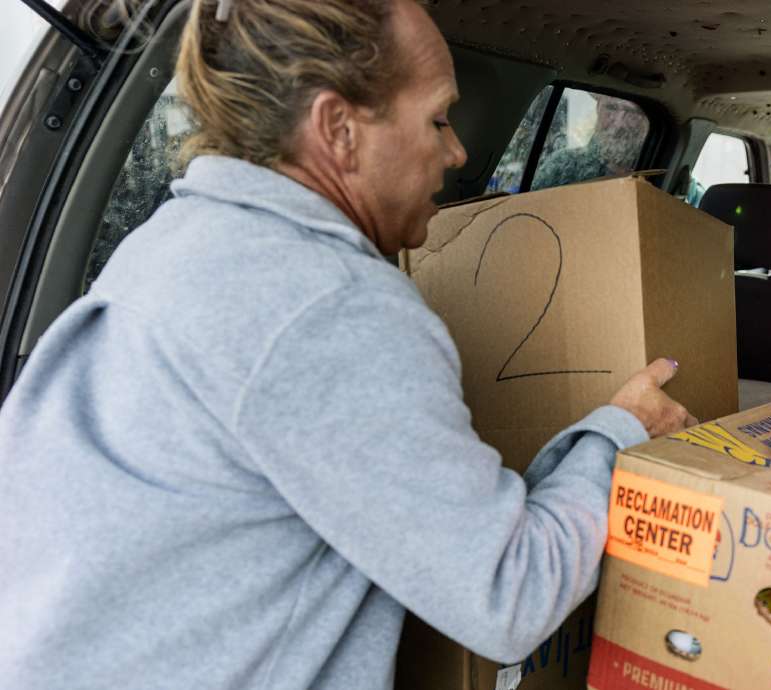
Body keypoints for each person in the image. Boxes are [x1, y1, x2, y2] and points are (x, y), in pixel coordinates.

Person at [0, 1, 694, 688]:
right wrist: (622, 433)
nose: (455, 152)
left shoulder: (168, 245)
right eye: (438, 119)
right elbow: (511, 595)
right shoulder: (327, 305)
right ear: (339, 129)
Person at [531, 94, 649, 190]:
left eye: (632, 112)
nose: (618, 124)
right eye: (611, 108)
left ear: (646, 120)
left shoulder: (657, 169)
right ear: (598, 108)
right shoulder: (563, 166)